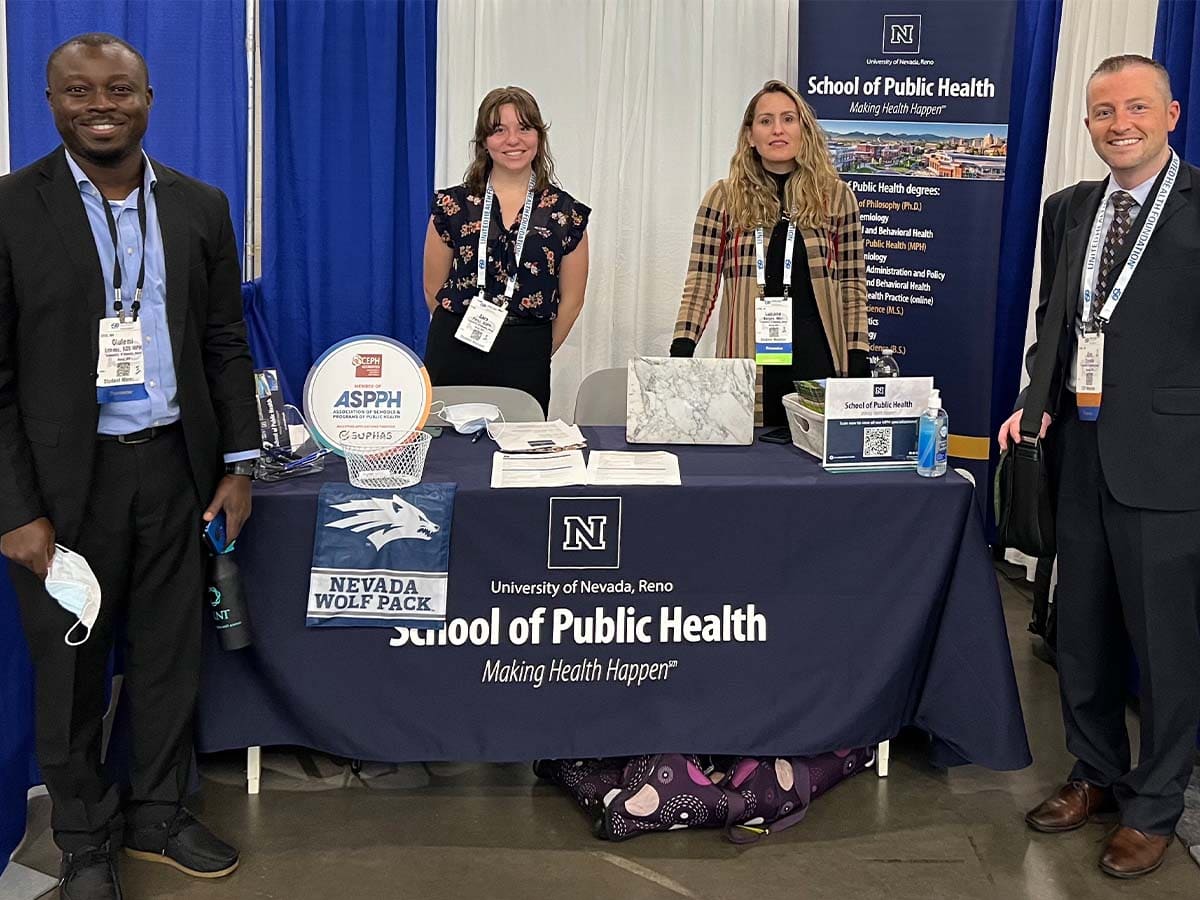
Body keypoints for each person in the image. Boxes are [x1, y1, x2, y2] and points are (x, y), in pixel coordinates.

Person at [0, 34, 260, 899]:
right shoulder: (9, 208)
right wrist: (14, 507)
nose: (99, 103)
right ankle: (82, 838)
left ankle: (157, 812)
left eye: (118, 89)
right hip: (62, 489)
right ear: (52, 102)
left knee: (168, 656)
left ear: (150, 97)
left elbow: (225, 342)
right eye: (79, 90)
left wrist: (237, 462)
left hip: (176, 471)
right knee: (71, 664)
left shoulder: (200, 206)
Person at [999, 54, 1200, 879]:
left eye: (1136, 108)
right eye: (1103, 111)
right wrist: (1032, 398)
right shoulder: (1069, 209)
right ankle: (1097, 774)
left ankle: (1156, 803)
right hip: (1075, 452)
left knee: (1167, 646)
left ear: (1172, 114)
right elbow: (1058, 320)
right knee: (1078, 629)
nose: (1119, 123)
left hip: (1171, 461)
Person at [670, 79, 869, 427]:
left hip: (816, 360)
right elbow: (700, 283)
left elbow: (852, 286)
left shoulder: (836, 197)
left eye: (788, 119)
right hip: (746, 360)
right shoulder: (723, 198)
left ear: (804, 129)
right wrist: (682, 349)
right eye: (766, 121)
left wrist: (858, 356)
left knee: (814, 472)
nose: (778, 129)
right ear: (750, 135)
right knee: (749, 469)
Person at [422, 86, 590, 414]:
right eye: (499, 130)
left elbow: (572, 300)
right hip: (455, 344)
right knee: (449, 459)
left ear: (539, 137)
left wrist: (537, 349)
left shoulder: (565, 213)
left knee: (519, 454)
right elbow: (433, 287)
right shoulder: (452, 206)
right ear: (484, 141)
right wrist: (463, 331)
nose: (513, 140)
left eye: (524, 128)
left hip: (526, 352)